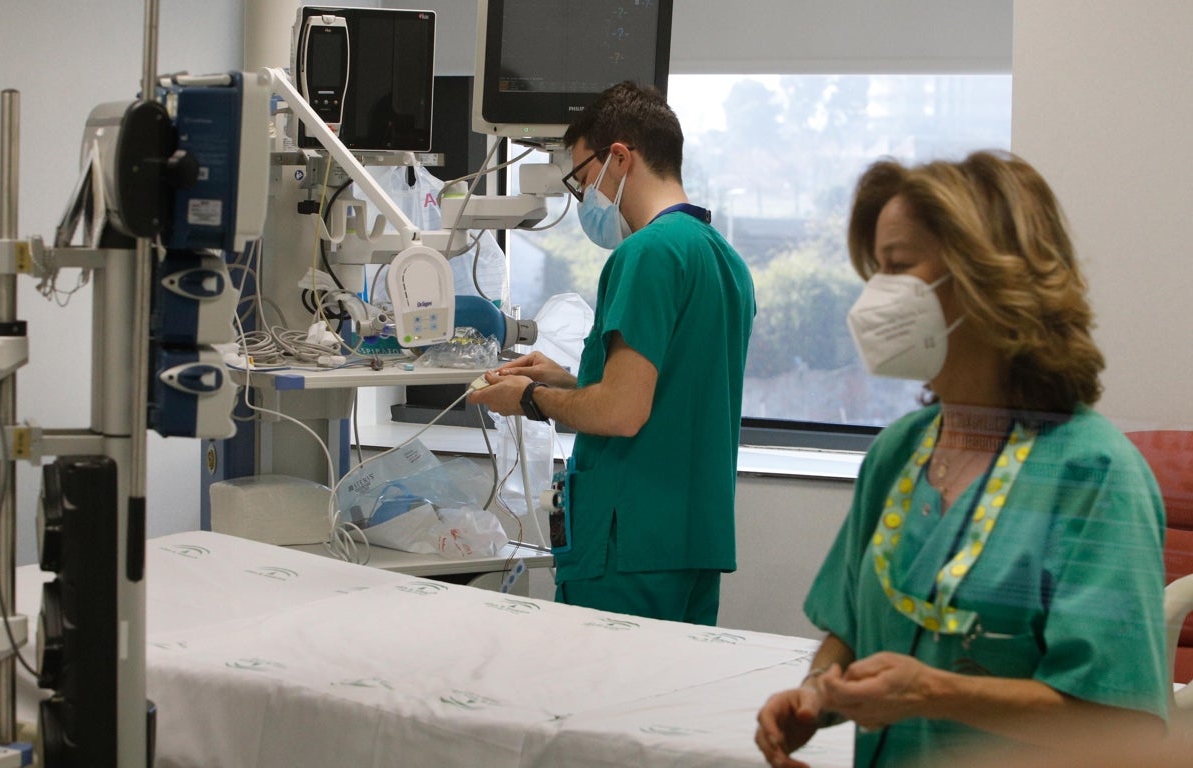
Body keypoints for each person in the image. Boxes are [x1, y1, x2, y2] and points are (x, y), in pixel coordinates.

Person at [754, 150, 1169, 767]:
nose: (874, 297)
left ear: (984, 277)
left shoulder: (1094, 474)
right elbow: (852, 629)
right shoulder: (900, 451)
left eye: (896, 268)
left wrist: (932, 693)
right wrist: (818, 691)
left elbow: (1126, 727)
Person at [467, 81, 756, 625]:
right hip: (690, 540)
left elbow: (623, 413)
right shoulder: (724, 260)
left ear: (619, 158)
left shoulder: (646, 253)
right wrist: (569, 381)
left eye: (582, 182)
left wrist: (531, 398)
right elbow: (667, 396)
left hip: (627, 544)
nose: (584, 202)